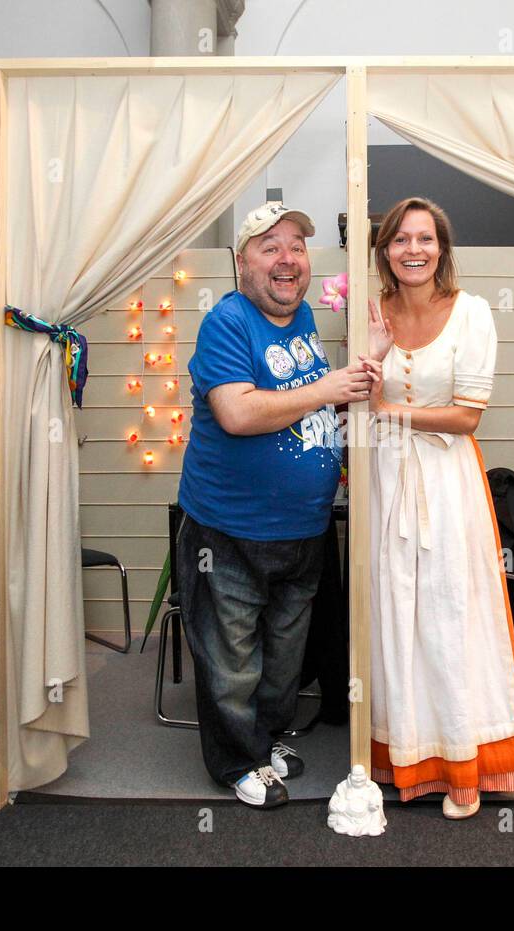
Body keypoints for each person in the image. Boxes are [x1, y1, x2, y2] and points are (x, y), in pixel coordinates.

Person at [176, 201, 378, 809]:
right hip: (229, 528)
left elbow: (303, 402)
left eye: (296, 245)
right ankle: (237, 763)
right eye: (270, 247)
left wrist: (357, 379)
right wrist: (328, 387)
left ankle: (261, 743)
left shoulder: (305, 319)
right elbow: (237, 413)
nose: (286, 258)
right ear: (242, 262)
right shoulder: (228, 322)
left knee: (284, 657)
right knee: (233, 658)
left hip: (304, 529)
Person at [364, 197, 514, 819]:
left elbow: (466, 416)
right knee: (393, 616)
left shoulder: (473, 314)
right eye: (401, 240)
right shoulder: (370, 315)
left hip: (446, 483)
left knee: (447, 614)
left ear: (442, 248)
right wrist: (374, 354)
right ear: (385, 251)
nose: (413, 250)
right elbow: (355, 401)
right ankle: (406, 759)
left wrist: (390, 414)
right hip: (386, 480)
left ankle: (464, 764)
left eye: (425, 239)